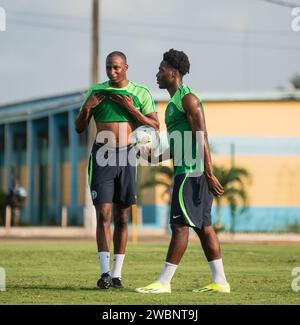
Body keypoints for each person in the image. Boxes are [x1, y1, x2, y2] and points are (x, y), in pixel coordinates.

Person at [136, 49, 230, 294]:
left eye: (161, 70)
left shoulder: (188, 99)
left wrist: (208, 173)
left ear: (174, 73)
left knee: (180, 227)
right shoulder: (171, 105)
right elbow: (180, 144)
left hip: (191, 174)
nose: (157, 74)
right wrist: (154, 157)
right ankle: (220, 281)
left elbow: (202, 136)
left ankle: (164, 281)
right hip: (188, 170)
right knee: (203, 227)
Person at [75, 51, 159, 289]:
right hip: (102, 156)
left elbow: (155, 125)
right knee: (103, 214)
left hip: (128, 156)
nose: (112, 72)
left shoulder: (140, 93)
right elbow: (79, 128)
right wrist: (87, 109)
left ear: (126, 67)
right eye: (108, 68)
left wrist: (132, 110)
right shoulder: (96, 92)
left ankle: (117, 275)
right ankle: (104, 273)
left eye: (116, 68)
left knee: (122, 217)